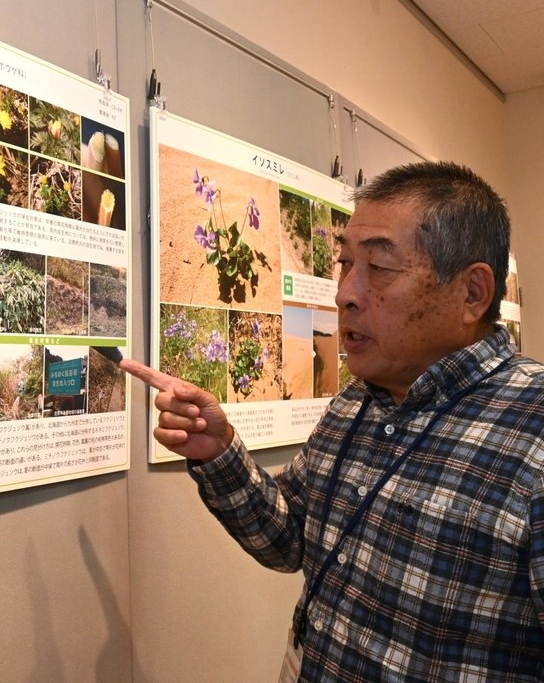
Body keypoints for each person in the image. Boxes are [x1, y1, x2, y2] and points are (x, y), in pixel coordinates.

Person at [122, 161, 544, 682]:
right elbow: (291, 540)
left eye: (380, 268)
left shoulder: (533, 433)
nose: (345, 293)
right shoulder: (354, 405)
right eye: (345, 264)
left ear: (472, 294)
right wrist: (219, 451)